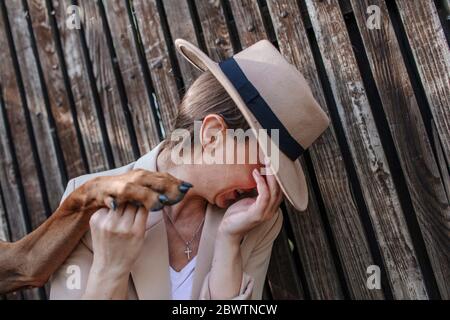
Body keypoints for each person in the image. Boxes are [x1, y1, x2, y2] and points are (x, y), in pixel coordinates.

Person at [49, 39, 330, 300]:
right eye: (265, 163)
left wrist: (229, 242)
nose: (263, 186)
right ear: (212, 134)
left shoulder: (259, 224)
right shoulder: (87, 203)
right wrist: (110, 269)